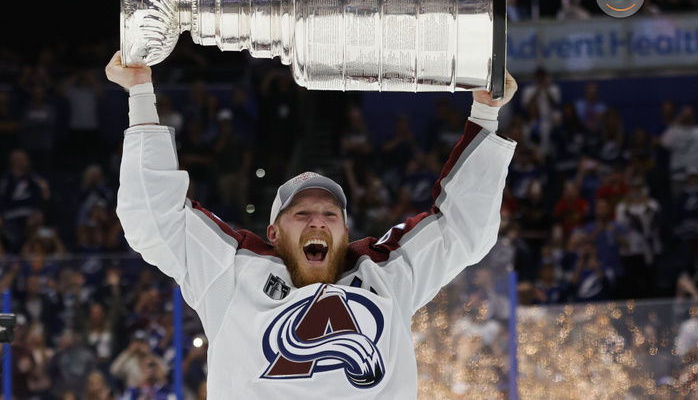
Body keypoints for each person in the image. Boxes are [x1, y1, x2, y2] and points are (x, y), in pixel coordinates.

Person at [107, 50, 517, 398]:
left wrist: (486, 109)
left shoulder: (386, 276)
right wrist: (140, 91)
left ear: (346, 232)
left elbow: (462, 229)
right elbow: (155, 219)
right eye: (301, 214)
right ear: (274, 234)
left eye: (329, 215)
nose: (317, 222)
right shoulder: (231, 274)